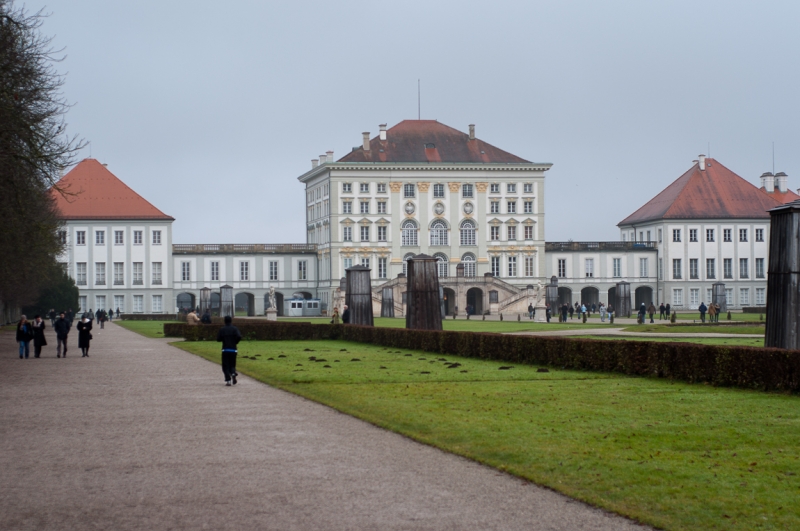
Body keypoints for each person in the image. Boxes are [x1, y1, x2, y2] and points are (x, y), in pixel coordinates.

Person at [216, 316, 242, 386]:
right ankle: (233, 373)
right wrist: (235, 342)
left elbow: (218, 339)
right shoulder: (234, 328)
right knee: (232, 364)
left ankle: (228, 380)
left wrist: (224, 339)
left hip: (225, 349)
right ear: (231, 321)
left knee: (225, 365)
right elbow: (239, 336)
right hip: (233, 349)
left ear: (224, 321)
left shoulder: (222, 329)